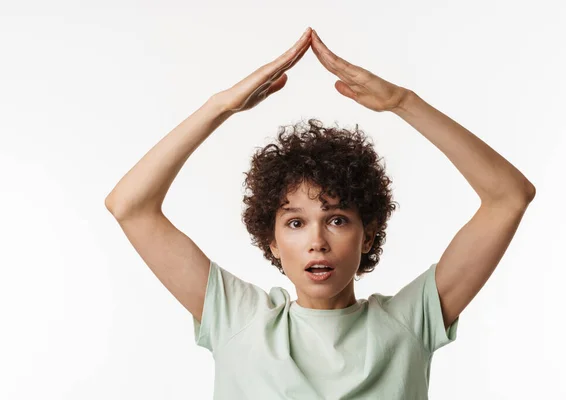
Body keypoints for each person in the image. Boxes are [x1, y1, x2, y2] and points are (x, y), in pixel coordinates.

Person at [105, 27, 536, 399]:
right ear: (271, 239)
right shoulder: (237, 319)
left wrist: (403, 101)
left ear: (367, 235)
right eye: (295, 222)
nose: (317, 241)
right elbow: (129, 206)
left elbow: (509, 197)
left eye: (337, 219)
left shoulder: (409, 323)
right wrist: (219, 107)